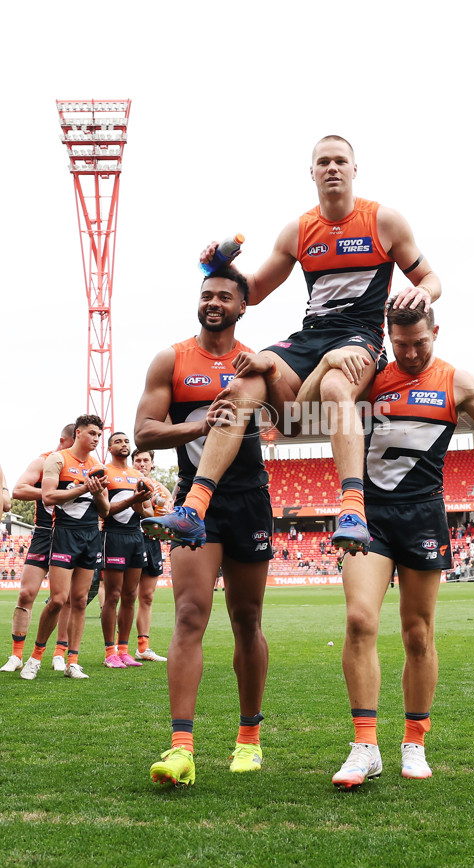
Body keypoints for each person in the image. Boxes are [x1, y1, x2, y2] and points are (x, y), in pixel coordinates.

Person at [297, 301, 474, 789]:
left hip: (424, 515)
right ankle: (365, 746)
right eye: (401, 343)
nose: (409, 353)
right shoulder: (370, 373)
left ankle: (414, 740)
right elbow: (301, 415)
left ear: (436, 332)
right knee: (360, 619)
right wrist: (325, 363)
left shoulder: (457, 382)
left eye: (420, 343)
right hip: (368, 515)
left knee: (418, 634)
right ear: (388, 337)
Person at [145, 135, 441, 556]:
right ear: (313, 172)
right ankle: (194, 509)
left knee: (338, 385)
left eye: (341, 161)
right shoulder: (299, 230)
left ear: (355, 170)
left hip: (361, 334)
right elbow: (254, 290)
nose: (332, 168)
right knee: (245, 380)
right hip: (311, 335)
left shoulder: (384, 222)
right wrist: (219, 265)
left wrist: (426, 293)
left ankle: (353, 510)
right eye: (324, 162)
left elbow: (432, 278)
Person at [134, 265, 273, 785]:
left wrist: (274, 384)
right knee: (191, 614)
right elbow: (143, 432)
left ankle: (249, 737)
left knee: (246, 620)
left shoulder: (256, 363)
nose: (214, 302)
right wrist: (200, 423)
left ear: (242, 306)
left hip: (250, 500)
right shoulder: (172, 359)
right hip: (196, 502)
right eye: (206, 295)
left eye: (224, 297)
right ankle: (180, 747)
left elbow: (296, 416)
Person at [20, 415, 109, 681]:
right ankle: (35, 657)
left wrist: (96, 493)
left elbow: (104, 510)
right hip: (64, 534)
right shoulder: (58, 459)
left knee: (79, 601)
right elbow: (48, 496)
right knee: (58, 599)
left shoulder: (98, 466)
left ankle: (73, 661)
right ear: (79, 433)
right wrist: (83, 488)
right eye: (92, 433)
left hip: (91, 535)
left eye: (99, 435)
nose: (95, 439)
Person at [1, 424, 75, 673]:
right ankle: (16, 655)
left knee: (64, 599)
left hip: (70, 535)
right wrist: (51, 493)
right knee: (26, 594)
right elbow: (19, 490)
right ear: (63, 440)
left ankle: (59, 654)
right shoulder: (44, 461)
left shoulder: (83, 465)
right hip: (44, 534)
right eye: (72, 443)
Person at [100, 432, 154, 669]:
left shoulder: (137, 476)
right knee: (112, 596)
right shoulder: (103, 472)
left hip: (135, 537)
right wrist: (133, 501)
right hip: (113, 536)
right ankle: (110, 652)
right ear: (110, 447)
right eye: (118, 441)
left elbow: (149, 513)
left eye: (126, 441)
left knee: (131, 596)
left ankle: (124, 650)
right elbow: (104, 511)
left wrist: (141, 503)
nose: (124, 444)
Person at [131, 448, 174, 661]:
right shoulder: (125, 482)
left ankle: (142, 647)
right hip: (129, 538)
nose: (141, 464)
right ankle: (116, 649)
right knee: (125, 596)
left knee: (147, 596)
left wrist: (166, 514)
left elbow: (169, 513)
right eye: (137, 460)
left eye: (145, 460)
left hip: (152, 541)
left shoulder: (161, 488)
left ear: (152, 464)